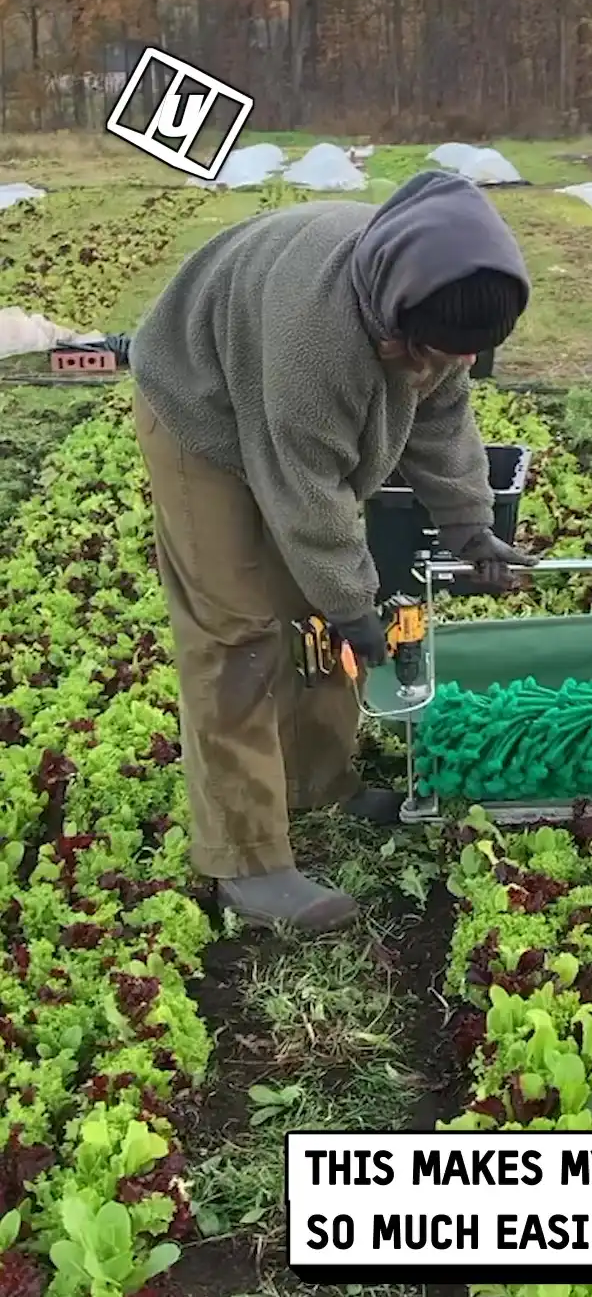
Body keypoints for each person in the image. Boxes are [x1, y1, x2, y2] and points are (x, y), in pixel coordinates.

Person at [129, 168, 532, 933]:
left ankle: (317, 780)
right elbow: (307, 494)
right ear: (394, 316)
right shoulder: (315, 338)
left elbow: (441, 419)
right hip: (199, 402)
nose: (435, 369)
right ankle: (245, 862)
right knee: (236, 629)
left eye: (456, 357)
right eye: (425, 352)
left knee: (312, 609)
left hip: (277, 402)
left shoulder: (432, 293)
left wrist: (470, 525)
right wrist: (356, 606)